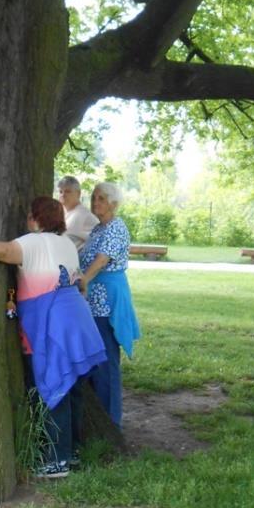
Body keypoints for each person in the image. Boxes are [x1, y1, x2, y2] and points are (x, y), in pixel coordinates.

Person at [0, 196, 106, 478]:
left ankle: (56, 460)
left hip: (53, 322)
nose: (27, 219)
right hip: (76, 320)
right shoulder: (66, 244)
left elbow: (5, 251)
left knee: (54, 383)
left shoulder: (35, 242)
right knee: (71, 384)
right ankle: (70, 452)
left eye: (29, 215)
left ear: (36, 218)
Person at [79, 181, 140, 427]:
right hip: (93, 301)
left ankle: (111, 422)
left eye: (101, 199)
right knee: (94, 357)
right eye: (94, 198)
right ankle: (98, 418)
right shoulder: (98, 229)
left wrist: (84, 279)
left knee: (106, 359)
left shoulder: (116, 227)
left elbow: (102, 260)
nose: (96, 203)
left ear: (114, 203)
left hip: (106, 301)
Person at [57, 175, 98, 249]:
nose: (63, 195)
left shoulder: (83, 215)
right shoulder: (61, 213)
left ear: (78, 193)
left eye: (67, 191)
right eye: (60, 192)